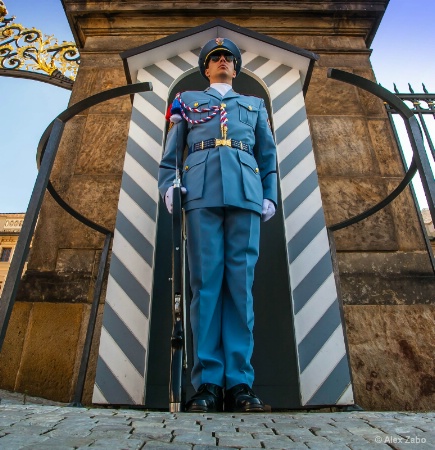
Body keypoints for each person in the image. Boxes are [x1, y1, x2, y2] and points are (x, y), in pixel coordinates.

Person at [158, 37, 277, 412]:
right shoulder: (188, 101)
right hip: (201, 192)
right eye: (216, 58)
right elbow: (172, 152)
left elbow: (266, 152)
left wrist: (270, 193)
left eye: (228, 57)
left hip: (245, 191)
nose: (223, 61)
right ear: (206, 68)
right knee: (205, 286)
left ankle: (240, 381)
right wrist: (169, 185)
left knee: (240, 287)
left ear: (236, 68)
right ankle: (208, 381)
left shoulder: (254, 105)